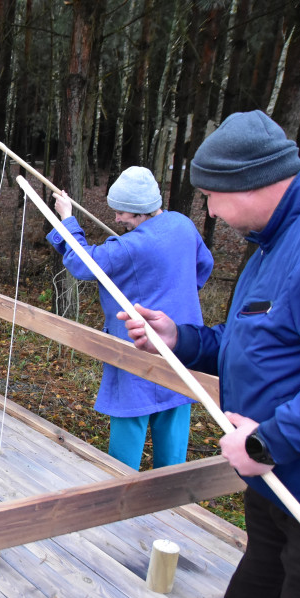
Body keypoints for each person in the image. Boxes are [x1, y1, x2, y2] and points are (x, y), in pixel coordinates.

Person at [122, 110, 300, 598]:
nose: (208, 209)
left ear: (251, 183)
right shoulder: (270, 243)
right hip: (270, 484)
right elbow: (251, 339)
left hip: (296, 482)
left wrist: (271, 440)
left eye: (211, 195)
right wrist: (180, 338)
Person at [47, 166, 214, 470]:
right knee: (174, 430)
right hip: (182, 347)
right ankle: (171, 502)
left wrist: (66, 217)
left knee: (127, 437)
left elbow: (84, 264)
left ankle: (121, 499)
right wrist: (173, 292)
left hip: (137, 350)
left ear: (139, 211)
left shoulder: (133, 246)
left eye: (121, 212)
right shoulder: (182, 225)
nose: (116, 219)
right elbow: (203, 265)